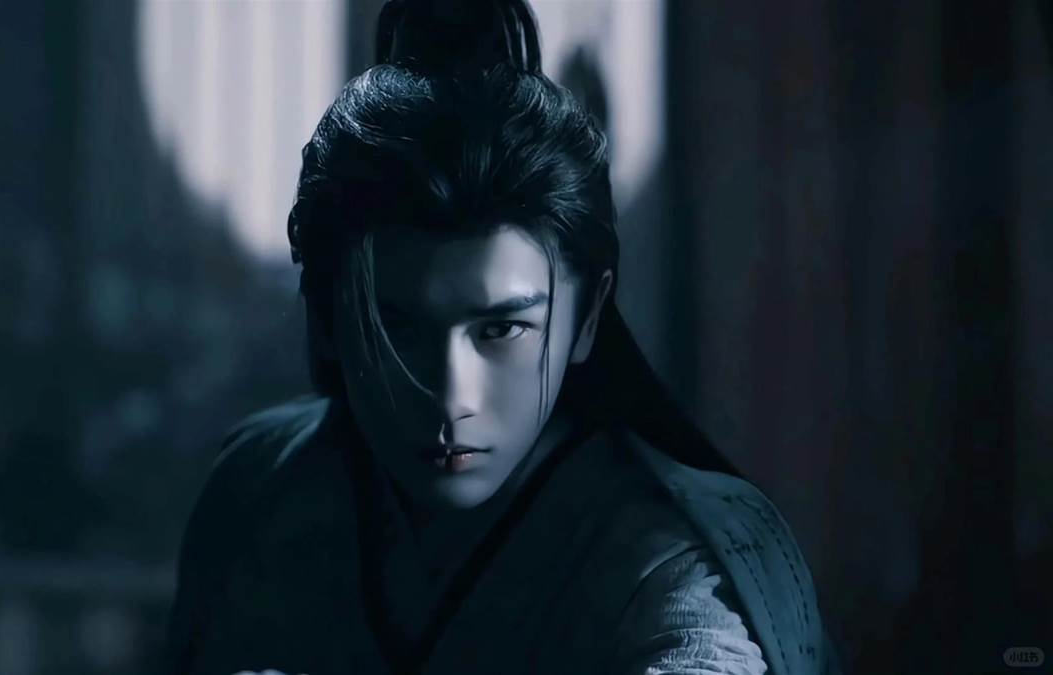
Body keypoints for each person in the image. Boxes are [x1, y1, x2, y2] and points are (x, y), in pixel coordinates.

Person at [166, 1, 843, 674]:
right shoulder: (261, 492)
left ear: (587, 315)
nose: (450, 395)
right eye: (395, 328)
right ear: (327, 317)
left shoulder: (667, 560)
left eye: (501, 328)